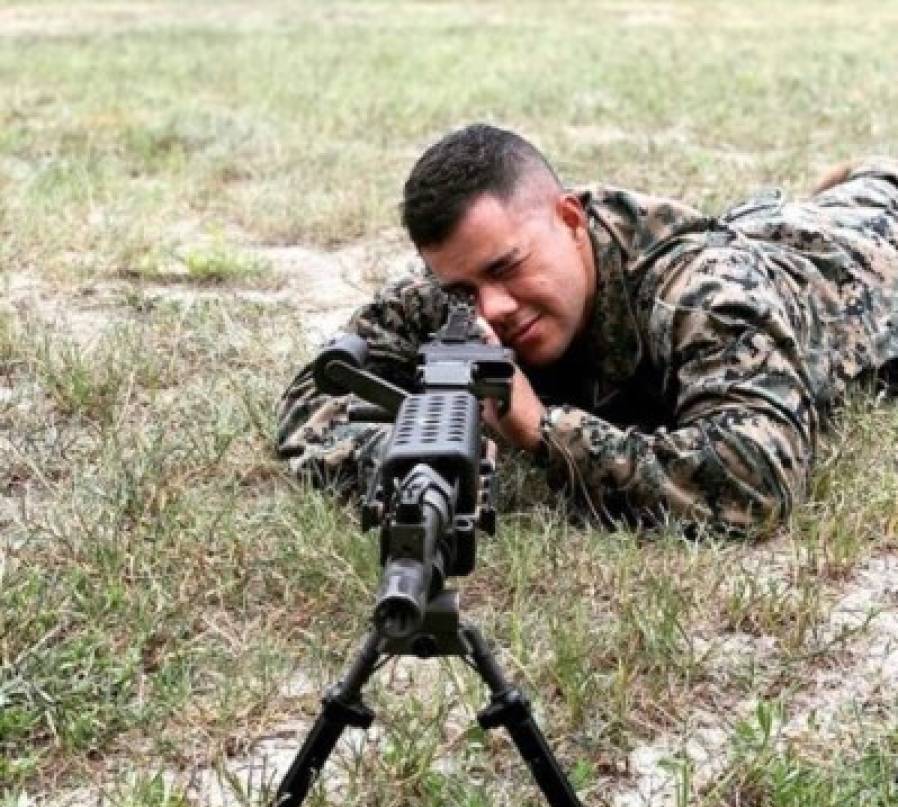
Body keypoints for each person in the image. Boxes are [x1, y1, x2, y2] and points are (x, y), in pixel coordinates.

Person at [277, 124, 898, 530]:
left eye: (507, 268)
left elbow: (754, 479)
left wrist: (543, 432)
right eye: (464, 288)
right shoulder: (459, 294)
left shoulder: (704, 292)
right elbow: (318, 393)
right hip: (760, 236)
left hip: (862, 257)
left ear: (571, 219)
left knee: (868, 201)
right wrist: (410, 457)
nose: (490, 309)